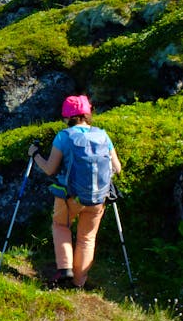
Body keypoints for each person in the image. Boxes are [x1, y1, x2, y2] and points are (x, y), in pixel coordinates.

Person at [27, 95, 122, 288]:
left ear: (66, 116)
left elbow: (50, 169)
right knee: (87, 238)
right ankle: (79, 282)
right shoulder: (103, 135)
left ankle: (65, 269)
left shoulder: (64, 136)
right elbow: (117, 168)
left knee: (61, 227)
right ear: (88, 113)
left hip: (69, 196)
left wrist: (35, 154)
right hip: (99, 198)